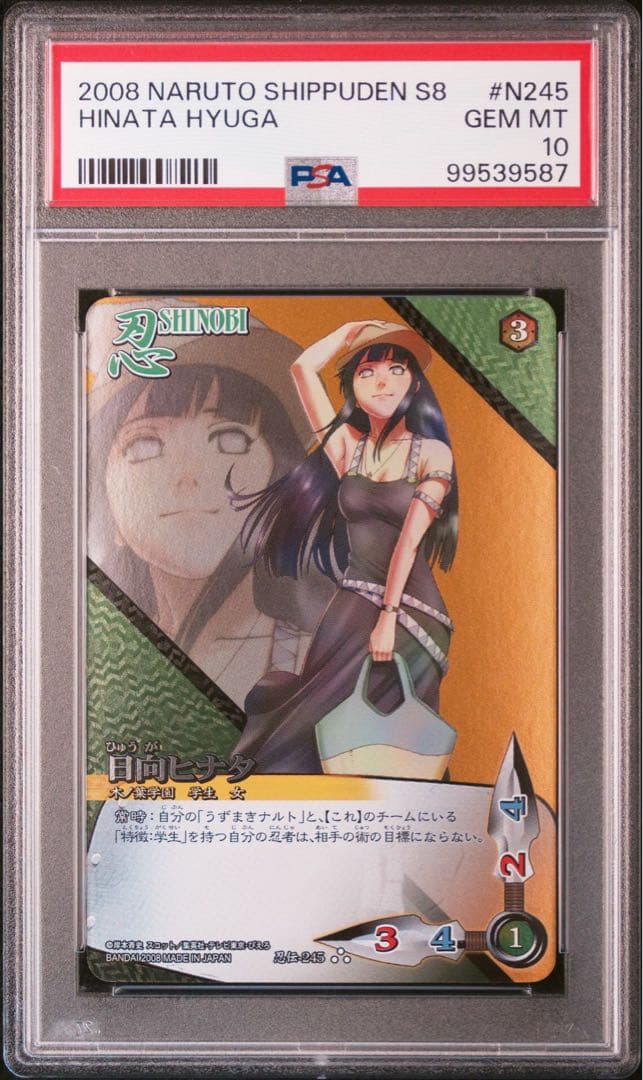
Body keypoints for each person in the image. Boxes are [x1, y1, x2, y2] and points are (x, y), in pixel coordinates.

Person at [233, 319, 459, 774]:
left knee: (400, 736)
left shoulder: (433, 454)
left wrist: (388, 618)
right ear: (352, 389)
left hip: (412, 611)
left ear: (415, 384)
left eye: (397, 370)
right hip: (351, 601)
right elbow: (302, 369)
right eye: (366, 372)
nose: (382, 381)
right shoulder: (346, 448)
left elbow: (409, 541)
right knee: (313, 717)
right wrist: (349, 332)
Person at [87, 321, 334, 706]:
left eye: (230, 439)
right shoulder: (96, 656)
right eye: (145, 445)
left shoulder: (329, 656)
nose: (190, 476)